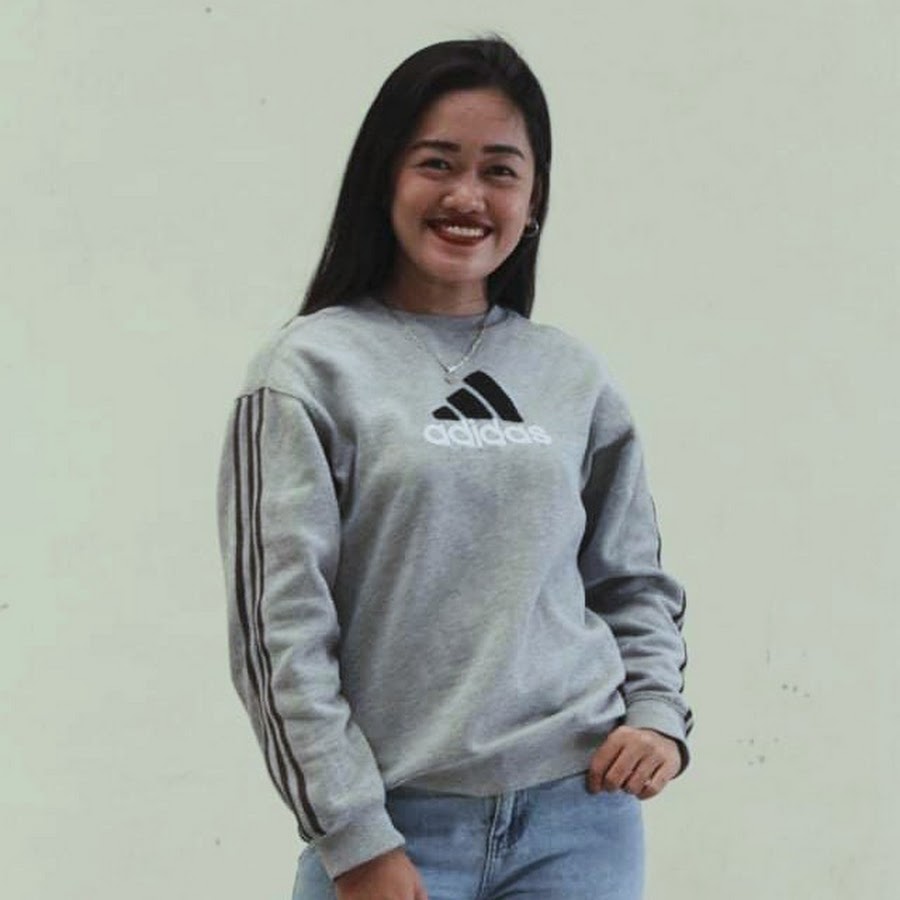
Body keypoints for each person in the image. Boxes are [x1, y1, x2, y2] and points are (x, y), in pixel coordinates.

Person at [217, 36, 692, 900]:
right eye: (437, 163)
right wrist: (355, 840)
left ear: (533, 200)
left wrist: (657, 715)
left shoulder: (571, 376)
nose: (467, 196)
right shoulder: (306, 372)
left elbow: (631, 581)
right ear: (384, 179)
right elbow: (279, 634)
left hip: (579, 821)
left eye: (500, 171)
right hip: (395, 827)